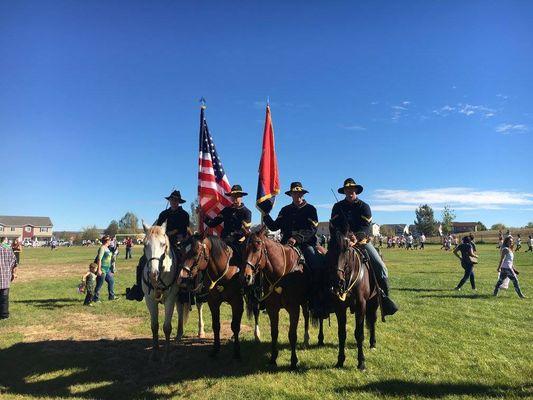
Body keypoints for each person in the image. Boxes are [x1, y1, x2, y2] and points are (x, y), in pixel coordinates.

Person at [330, 178, 398, 317]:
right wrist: (343, 238)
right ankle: (325, 298)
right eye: (347, 190)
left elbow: (366, 228)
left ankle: (384, 299)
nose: (350, 192)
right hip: (343, 244)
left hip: (362, 243)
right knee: (326, 263)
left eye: (352, 189)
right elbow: (334, 226)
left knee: (381, 267)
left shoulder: (364, 206)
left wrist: (356, 237)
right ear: (344, 191)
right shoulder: (337, 207)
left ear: (356, 191)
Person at [263, 182, 325, 316]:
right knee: (267, 264)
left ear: (302, 194)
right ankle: (266, 297)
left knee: (316, 264)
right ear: (291, 195)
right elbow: (274, 226)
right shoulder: (285, 210)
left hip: (306, 244)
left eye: (299, 193)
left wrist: (297, 238)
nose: (297, 195)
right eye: (294, 193)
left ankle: (316, 299)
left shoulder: (310, 209)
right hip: (286, 245)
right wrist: (265, 214)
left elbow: (312, 229)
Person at [126, 190, 190, 301]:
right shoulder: (163, 214)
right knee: (142, 261)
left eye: (176, 200)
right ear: (169, 201)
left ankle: (184, 291)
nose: (174, 202)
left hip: (175, 243)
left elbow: (183, 231)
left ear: (179, 202)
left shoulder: (184, 215)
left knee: (184, 262)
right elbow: (156, 229)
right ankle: (139, 289)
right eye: (172, 199)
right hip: (159, 243)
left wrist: (171, 233)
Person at [204, 184, 252, 265]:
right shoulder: (226, 210)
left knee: (243, 261)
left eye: (237, 196)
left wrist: (233, 235)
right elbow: (213, 224)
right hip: (224, 240)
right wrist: (203, 215)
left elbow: (245, 231)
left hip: (238, 242)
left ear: (241, 197)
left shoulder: (246, 212)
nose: (235, 199)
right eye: (233, 196)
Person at [93, 235, 117, 302]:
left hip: (107, 269)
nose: (110, 242)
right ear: (107, 241)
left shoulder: (107, 248)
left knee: (111, 281)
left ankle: (111, 296)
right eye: (110, 240)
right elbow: (99, 259)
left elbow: (109, 258)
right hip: (102, 269)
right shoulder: (102, 248)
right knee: (99, 284)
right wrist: (99, 270)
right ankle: (95, 298)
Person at [0, 237, 18, 319]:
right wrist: (13, 273)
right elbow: (14, 262)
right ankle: (4, 315)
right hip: (5, 277)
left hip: (4, 277)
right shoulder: (8, 249)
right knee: (4, 298)